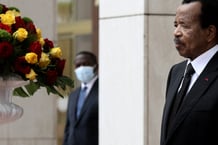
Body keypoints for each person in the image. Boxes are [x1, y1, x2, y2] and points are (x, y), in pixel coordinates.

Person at [161, 0, 218, 145]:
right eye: (175, 25)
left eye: (185, 26)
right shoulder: (176, 72)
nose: (176, 32)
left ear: (210, 32)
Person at [63, 51, 98, 145]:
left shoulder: (103, 91)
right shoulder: (73, 95)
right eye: (78, 65)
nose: (81, 68)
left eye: (86, 64)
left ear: (95, 67)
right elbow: (68, 127)